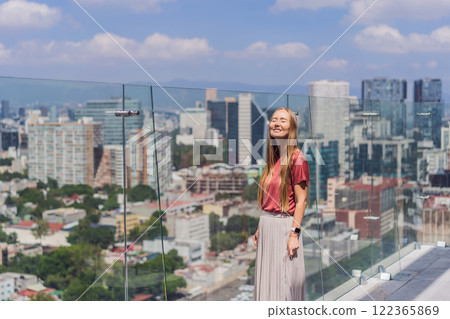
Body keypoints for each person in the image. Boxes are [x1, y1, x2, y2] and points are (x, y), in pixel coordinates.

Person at [252, 107, 309, 301]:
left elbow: (302, 201)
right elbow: (271, 197)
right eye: (274, 119)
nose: (277, 123)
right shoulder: (272, 158)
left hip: (285, 228)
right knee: (268, 285)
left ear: (292, 127)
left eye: (283, 120)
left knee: (282, 287)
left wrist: (294, 235)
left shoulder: (297, 160)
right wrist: (261, 226)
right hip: (267, 227)